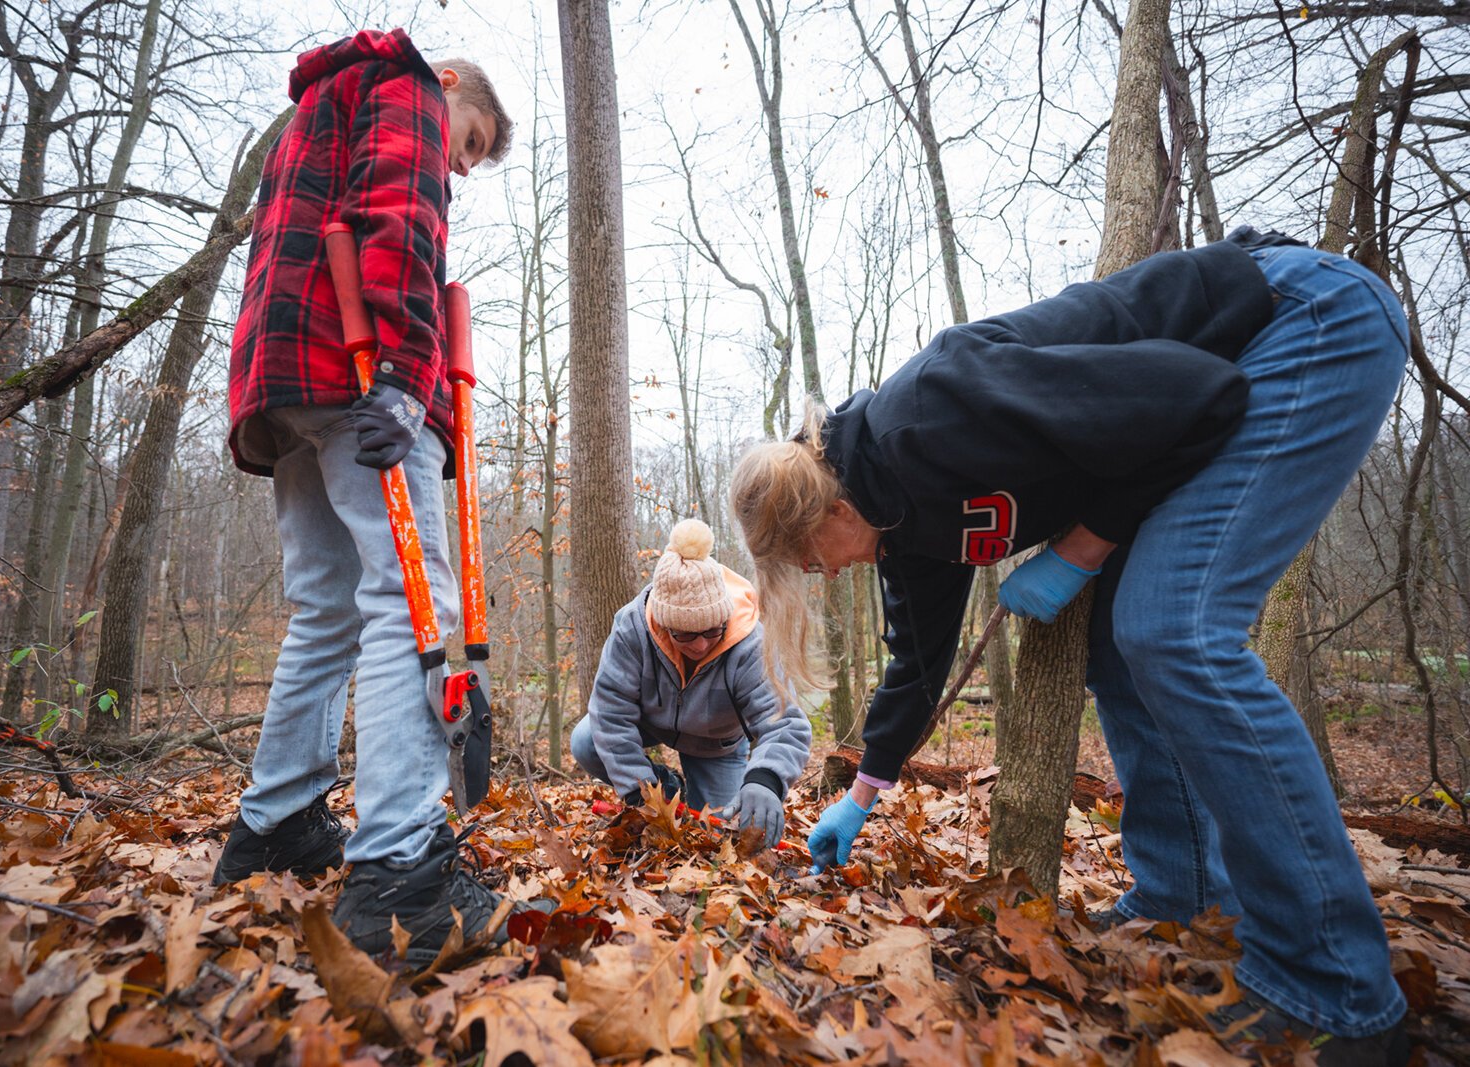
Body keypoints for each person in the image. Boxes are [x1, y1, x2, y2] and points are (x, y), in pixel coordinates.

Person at [729, 228, 1410, 1064]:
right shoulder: (903, 530)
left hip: (1304, 322)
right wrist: (865, 792)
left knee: (1173, 627)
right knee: (1122, 645)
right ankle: (1182, 898)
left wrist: (1081, 547)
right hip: (1232, 377)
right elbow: (916, 665)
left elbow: (1201, 394)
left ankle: (1333, 986)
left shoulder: (937, 412)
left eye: (809, 561)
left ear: (828, 514)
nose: (823, 576)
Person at [212, 28, 534, 962]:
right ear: (450, 91)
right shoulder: (409, 90)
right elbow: (400, 217)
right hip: (357, 371)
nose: (458, 166)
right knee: (408, 604)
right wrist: (401, 369)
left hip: (283, 380)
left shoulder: (316, 107)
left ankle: (275, 822)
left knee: (325, 609)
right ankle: (399, 869)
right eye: (468, 143)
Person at [573, 519, 811, 848]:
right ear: (662, 624)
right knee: (586, 740)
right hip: (652, 722)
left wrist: (764, 779)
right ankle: (667, 787)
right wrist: (639, 791)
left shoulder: (750, 642)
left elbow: (784, 721)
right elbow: (610, 712)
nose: (700, 645)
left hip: (719, 742)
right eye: (685, 634)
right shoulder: (632, 628)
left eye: (712, 631)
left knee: (717, 837)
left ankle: (703, 791)